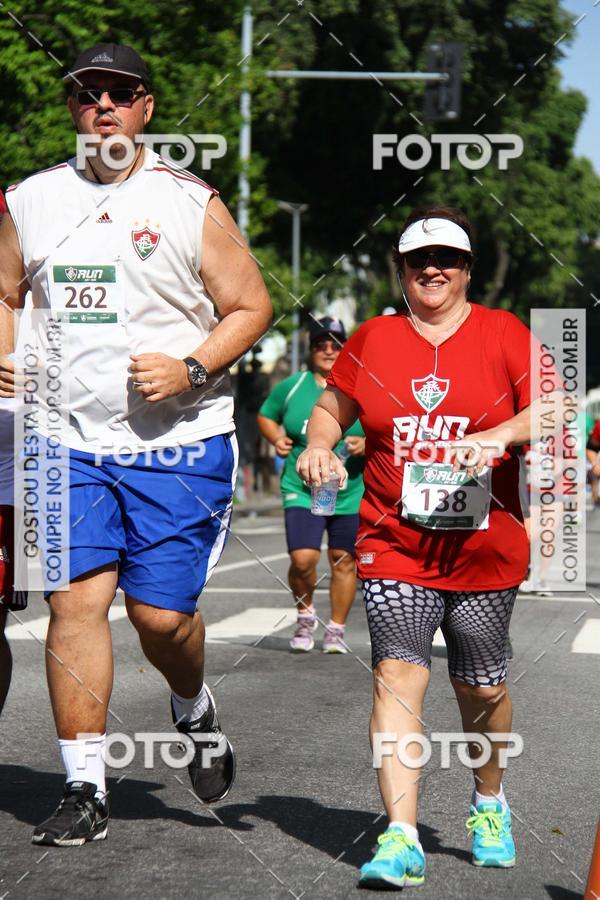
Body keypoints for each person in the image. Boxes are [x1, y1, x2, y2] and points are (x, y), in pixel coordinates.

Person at [0, 43, 272, 846]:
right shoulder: (29, 200)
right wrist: (6, 353)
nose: (104, 106)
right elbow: (3, 292)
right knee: (74, 604)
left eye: (121, 93)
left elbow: (252, 306)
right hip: (62, 441)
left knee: (159, 619)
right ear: (73, 107)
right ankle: (84, 788)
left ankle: (193, 707)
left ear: (146, 107)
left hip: (177, 444)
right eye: (89, 93)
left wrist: (192, 368)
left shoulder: (189, 202)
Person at [298, 208, 541, 888]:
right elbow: (331, 408)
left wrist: (498, 436)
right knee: (397, 674)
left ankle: (489, 801)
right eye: (418, 260)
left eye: (447, 259)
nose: (432, 269)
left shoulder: (504, 332)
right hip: (394, 539)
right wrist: (319, 446)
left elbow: (554, 408)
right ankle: (401, 834)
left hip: (484, 546)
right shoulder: (374, 338)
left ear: (467, 270)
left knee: (481, 685)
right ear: (400, 270)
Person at [257, 317, 365, 652]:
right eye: (321, 344)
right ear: (311, 350)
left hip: (350, 490)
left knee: (343, 558)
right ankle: (305, 616)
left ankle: (336, 629)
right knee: (303, 559)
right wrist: (276, 438)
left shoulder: (362, 385)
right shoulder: (292, 386)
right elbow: (266, 414)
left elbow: (387, 425)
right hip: (302, 487)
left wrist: (368, 443)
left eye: (336, 344)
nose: (328, 351)